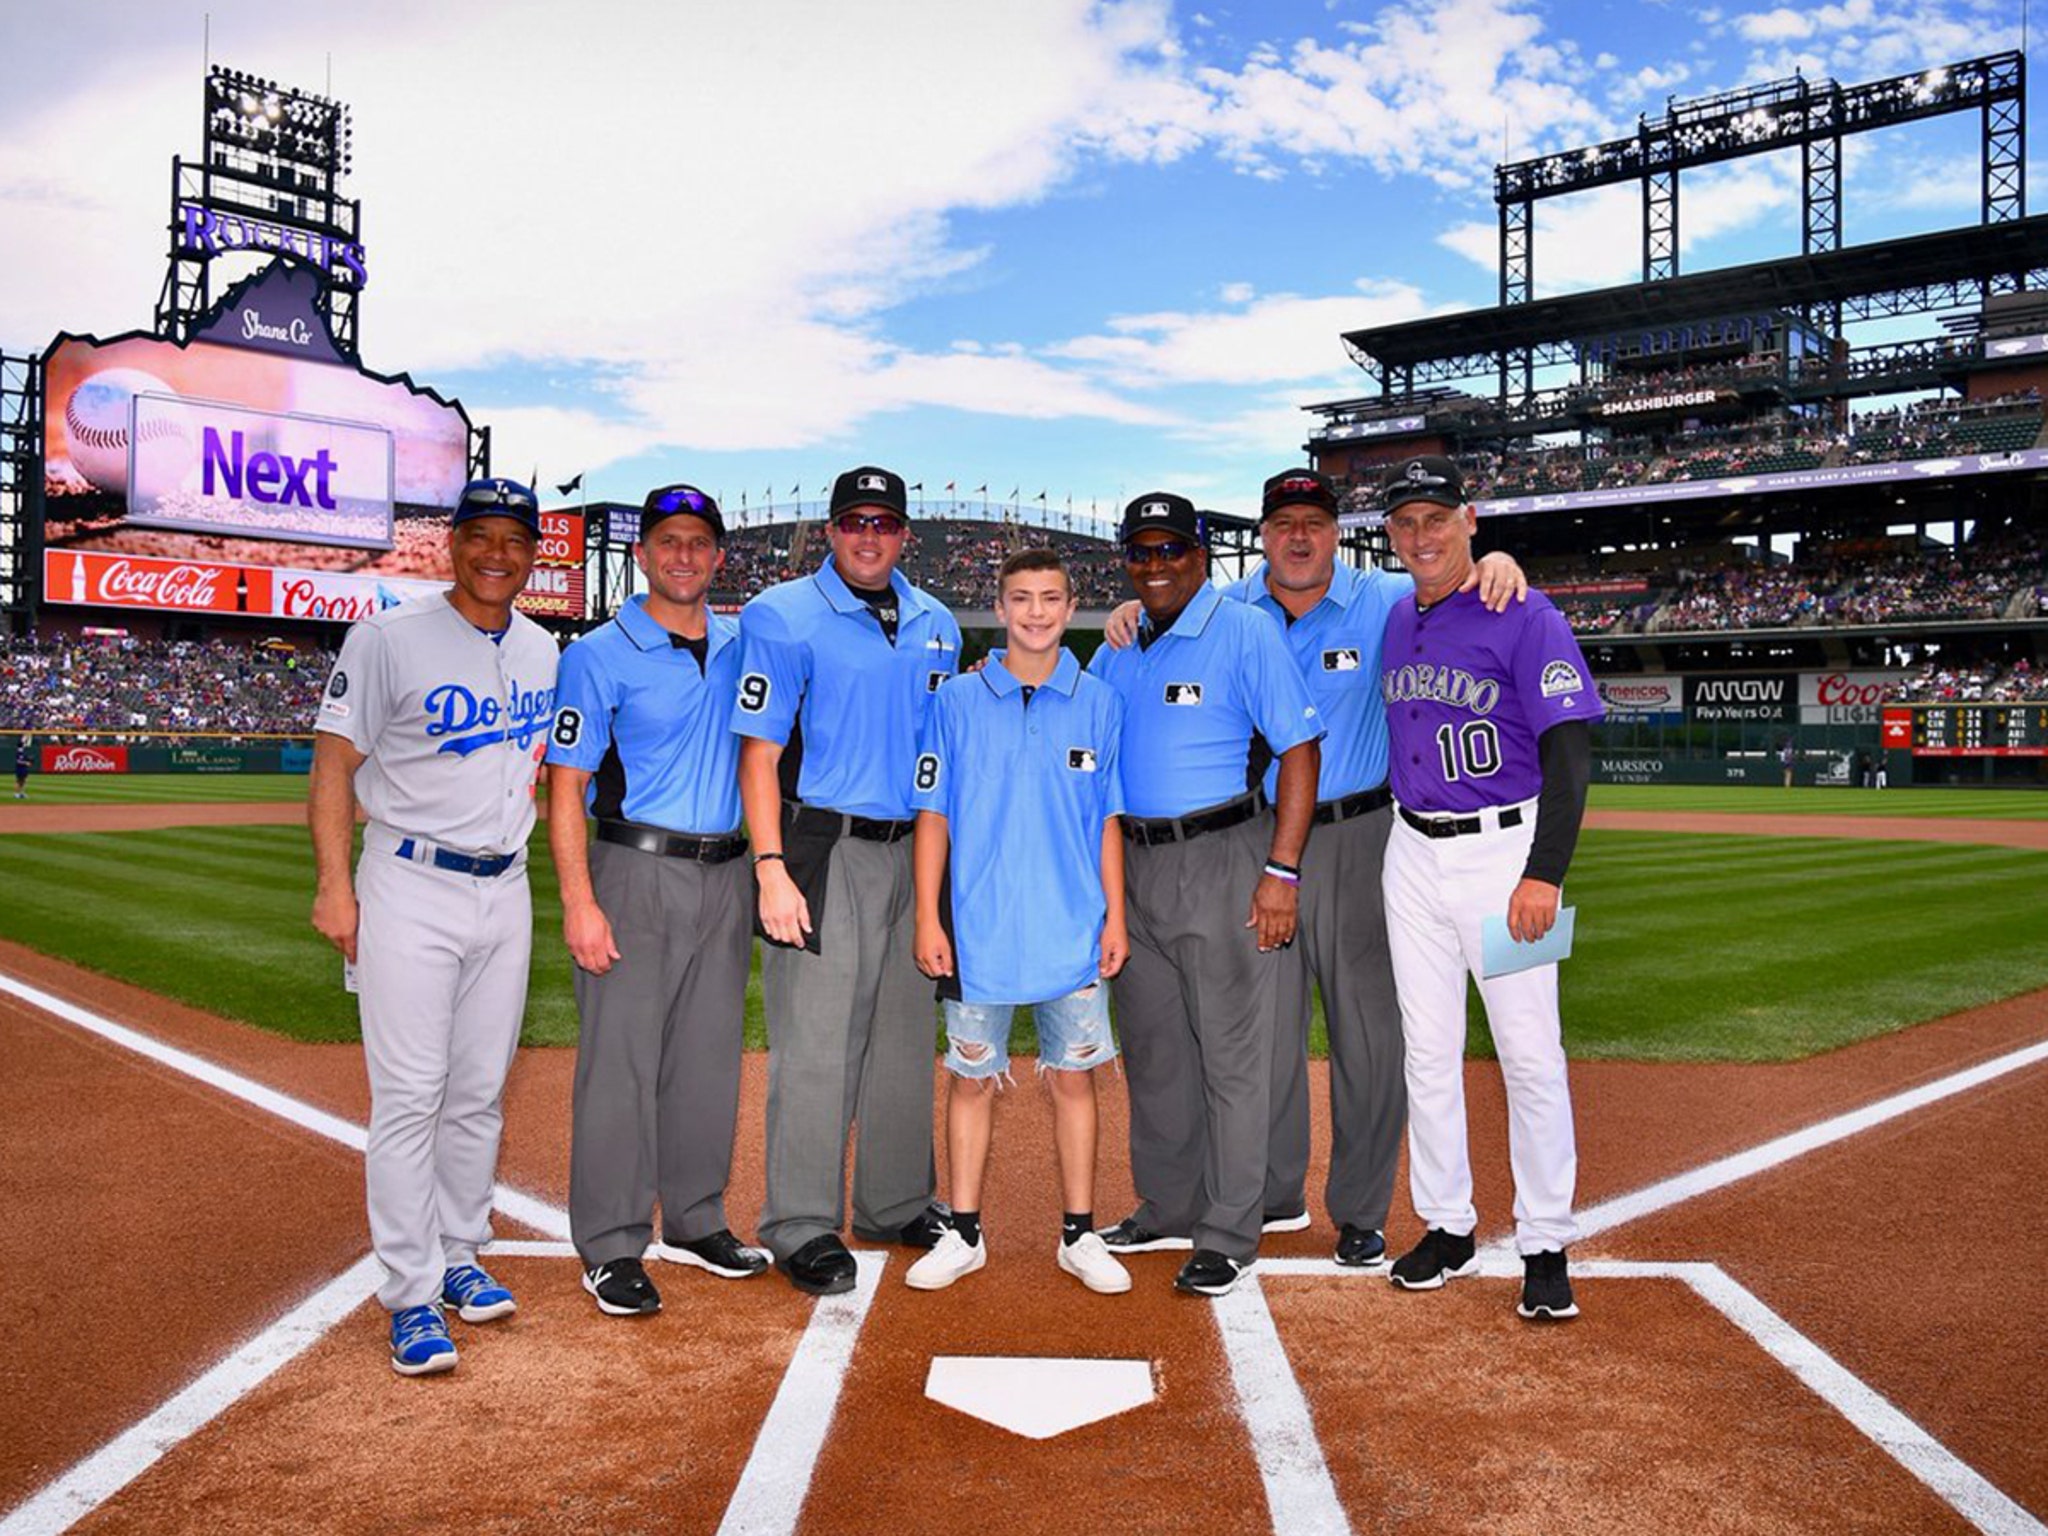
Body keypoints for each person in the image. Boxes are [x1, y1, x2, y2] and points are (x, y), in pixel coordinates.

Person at [1101, 469, 1525, 1270]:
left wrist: (1497, 560)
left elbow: (1449, 574)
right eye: (1284, 523)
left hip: (1360, 833)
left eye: (1316, 524)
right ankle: (1271, 1192)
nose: (1299, 537)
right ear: (1262, 535)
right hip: (1253, 837)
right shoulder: (1224, 611)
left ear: (1337, 532)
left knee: (1369, 1034)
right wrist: (1131, 610)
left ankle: (1361, 1209)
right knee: (1260, 1034)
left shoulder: (1384, 602)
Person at [308, 477, 559, 1375]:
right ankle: (410, 1296)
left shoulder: (542, 649)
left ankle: (459, 1252)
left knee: (479, 1091)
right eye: (481, 536)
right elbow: (334, 762)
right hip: (411, 883)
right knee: (410, 1097)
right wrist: (336, 888)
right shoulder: (387, 636)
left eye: (515, 540)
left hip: (506, 888)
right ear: (450, 543)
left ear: (535, 554)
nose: (498, 554)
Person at [1374, 454, 1601, 1322]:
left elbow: (1571, 753)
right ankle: (1449, 1226)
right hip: (1411, 853)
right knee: (1426, 1053)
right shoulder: (1396, 619)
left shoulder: (1525, 610)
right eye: (1406, 522)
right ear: (1391, 535)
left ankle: (1545, 1241)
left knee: (1531, 1055)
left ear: (1470, 521)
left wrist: (1545, 873)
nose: (1422, 535)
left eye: (1437, 518)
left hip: (1506, 857)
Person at [733, 465, 962, 1296]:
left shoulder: (937, 621)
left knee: (903, 1037)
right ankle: (799, 1223)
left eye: (886, 523)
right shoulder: (781, 615)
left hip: (916, 848)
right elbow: (758, 752)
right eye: (855, 521)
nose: (870, 535)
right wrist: (769, 868)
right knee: (818, 1045)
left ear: (905, 533)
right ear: (831, 531)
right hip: (823, 845)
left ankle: (896, 1201)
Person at [1089, 492, 1323, 1298]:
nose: (1157, 566)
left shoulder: (1244, 630)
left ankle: (1230, 1225)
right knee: (1155, 1052)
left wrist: (1282, 870)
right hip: (1136, 864)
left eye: (1172, 550)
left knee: (1232, 1054)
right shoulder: (1118, 646)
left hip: (1222, 852)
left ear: (1201, 555)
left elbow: (1298, 749)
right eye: (1141, 553)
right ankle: (1168, 1204)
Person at [546, 485, 768, 1319]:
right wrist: (579, 900)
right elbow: (565, 787)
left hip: (726, 870)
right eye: (667, 541)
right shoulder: (598, 653)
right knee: (621, 1065)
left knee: (707, 1057)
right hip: (633, 869)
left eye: (698, 543)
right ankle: (609, 1243)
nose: (683, 555)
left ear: (717, 557)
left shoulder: (749, 641)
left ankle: (697, 1218)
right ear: (642, 554)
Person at [905, 548, 1131, 1295]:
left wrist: (1115, 919)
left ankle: (1079, 1231)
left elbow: (1107, 821)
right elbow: (932, 816)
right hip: (980, 929)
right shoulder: (956, 703)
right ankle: (964, 1231)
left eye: (1050, 598)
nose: (1036, 612)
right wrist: (928, 920)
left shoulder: (1100, 701)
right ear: (999, 609)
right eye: (1021, 598)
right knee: (970, 1080)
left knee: (1074, 1081)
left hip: (1071, 929)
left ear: (1072, 608)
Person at [14, 735, 30, 799]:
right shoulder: (19, 752)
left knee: (24, 781)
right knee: (19, 781)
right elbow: (18, 761)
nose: (24, 745)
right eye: (23, 744)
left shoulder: (22, 751)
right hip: (20, 768)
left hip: (24, 768)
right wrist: (26, 763)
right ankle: (16, 794)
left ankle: (22, 793)